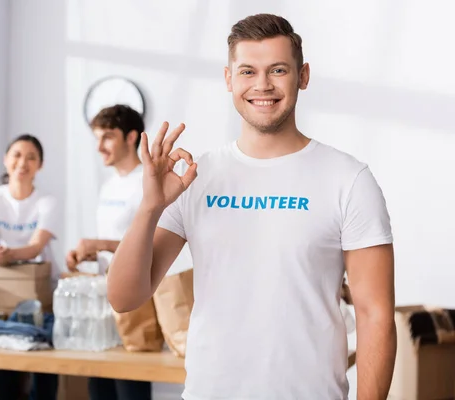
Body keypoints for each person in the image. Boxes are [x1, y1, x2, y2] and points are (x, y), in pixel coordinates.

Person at [106, 14, 396, 400]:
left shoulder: (348, 179)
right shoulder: (196, 177)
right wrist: (150, 207)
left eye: (278, 70)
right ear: (228, 79)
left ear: (303, 75)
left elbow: (375, 315)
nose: (262, 85)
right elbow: (124, 298)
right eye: (247, 71)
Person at [67, 104, 169, 400]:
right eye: (97, 138)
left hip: (136, 301)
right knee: (99, 390)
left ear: (131, 137)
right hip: (103, 302)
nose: (99, 147)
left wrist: (100, 244)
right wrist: (88, 253)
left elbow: (154, 243)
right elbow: (117, 241)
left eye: (107, 137)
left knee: (130, 391)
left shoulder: (147, 184)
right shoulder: (110, 186)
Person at [0, 134, 59, 400]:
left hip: (41, 293)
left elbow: (35, 247)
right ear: (6, 160)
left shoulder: (48, 201)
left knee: (43, 369)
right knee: (3, 374)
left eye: (31, 157)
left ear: (40, 165)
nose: (23, 163)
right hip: (4, 293)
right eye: (17, 155)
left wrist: (9, 254)